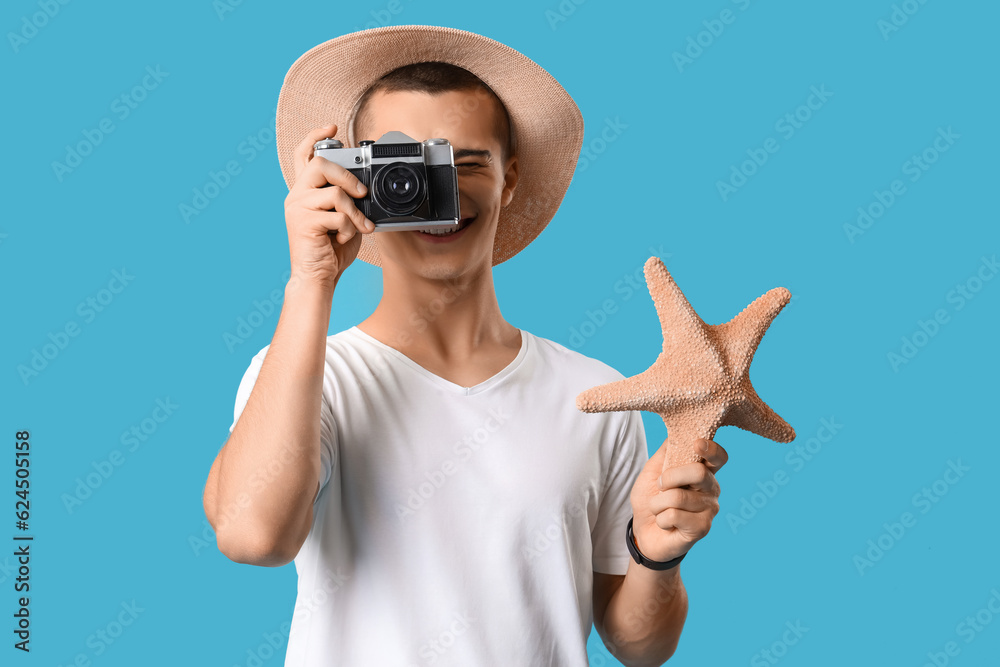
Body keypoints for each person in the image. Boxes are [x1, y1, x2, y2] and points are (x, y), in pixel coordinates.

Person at [202, 25, 728, 667]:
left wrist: (657, 554)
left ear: (510, 180)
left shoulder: (597, 396)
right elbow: (253, 536)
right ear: (355, 179)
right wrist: (311, 281)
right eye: (407, 167)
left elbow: (640, 646)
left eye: (466, 163)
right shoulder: (309, 375)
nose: (438, 194)